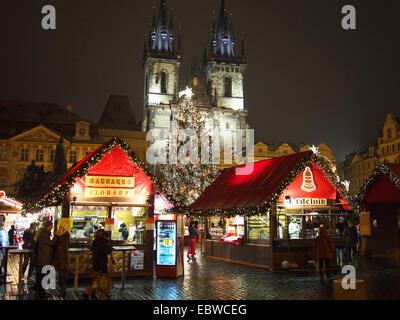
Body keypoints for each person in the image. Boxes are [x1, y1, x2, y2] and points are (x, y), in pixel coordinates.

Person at [82, 229, 115, 300]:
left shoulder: (95, 241)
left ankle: (90, 293)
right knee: (102, 281)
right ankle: (90, 293)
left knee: (98, 279)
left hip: (96, 263)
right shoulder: (105, 242)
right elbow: (109, 250)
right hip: (102, 264)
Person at [34, 221, 57, 299]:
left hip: (43, 256)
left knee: (41, 273)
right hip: (44, 257)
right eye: (51, 225)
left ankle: (39, 290)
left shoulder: (43, 232)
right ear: (48, 226)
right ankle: (41, 292)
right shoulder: (44, 234)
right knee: (43, 274)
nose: (52, 227)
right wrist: (56, 237)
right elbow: (50, 243)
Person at [53, 225, 70, 298]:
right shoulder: (57, 234)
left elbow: (63, 244)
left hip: (64, 259)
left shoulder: (66, 235)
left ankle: (63, 291)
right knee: (60, 276)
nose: (60, 228)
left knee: (63, 276)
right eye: (60, 227)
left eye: (62, 227)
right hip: (58, 258)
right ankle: (62, 290)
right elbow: (54, 244)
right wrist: (56, 236)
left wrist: (59, 236)